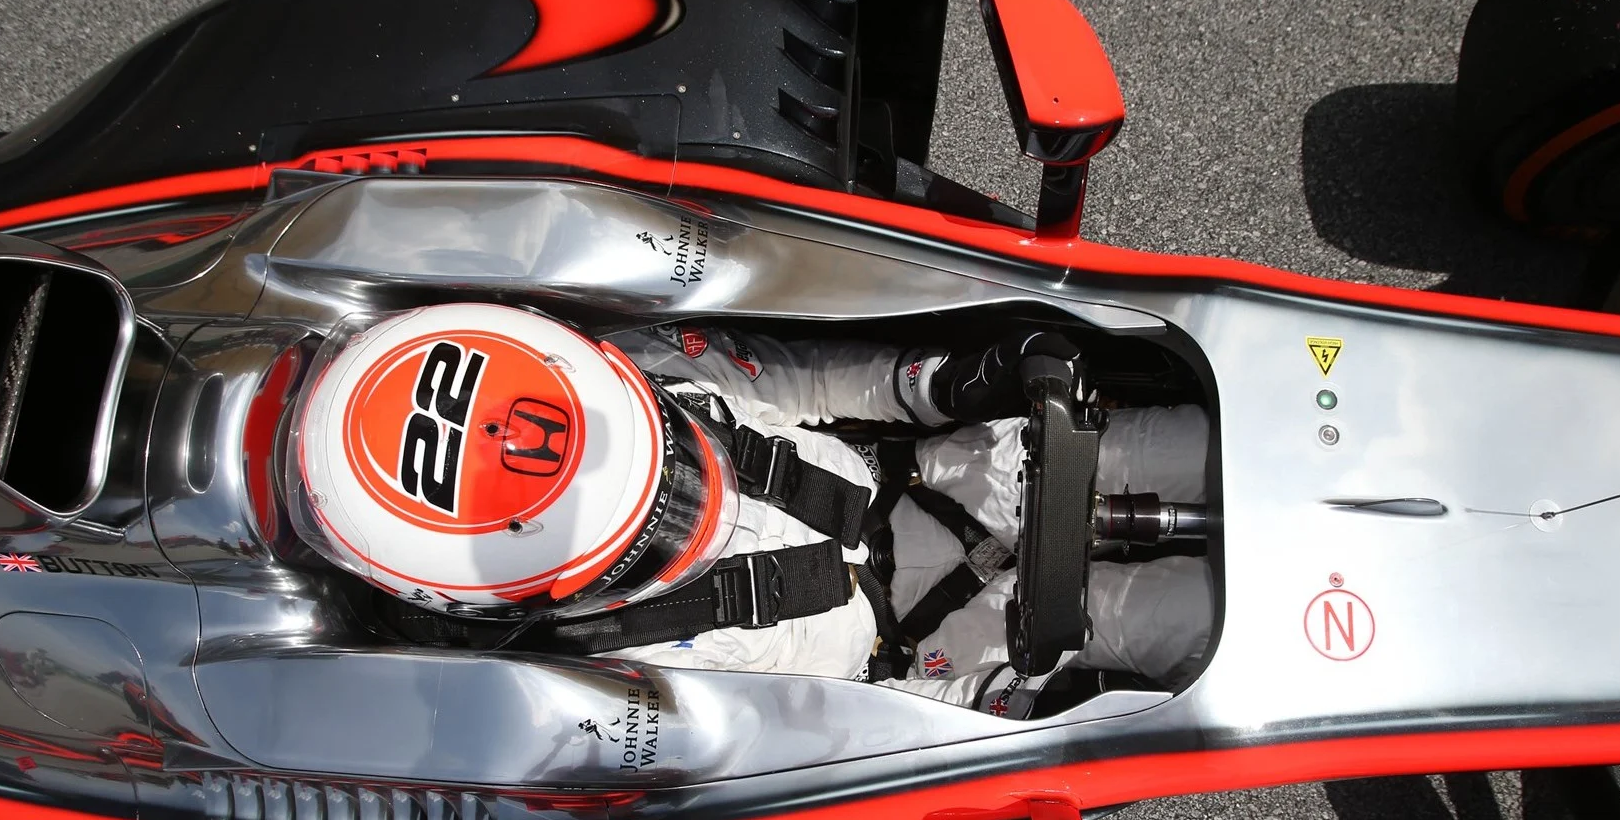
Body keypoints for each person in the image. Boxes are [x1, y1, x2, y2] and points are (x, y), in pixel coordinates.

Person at [288, 303, 1212, 718]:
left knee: (1200, 445)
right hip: (942, 647)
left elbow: (807, 375)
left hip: (945, 474)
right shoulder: (591, 681)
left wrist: (951, 384)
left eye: (669, 457)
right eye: (641, 537)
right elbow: (818, 740)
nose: (697, 502)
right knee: (1203, 626)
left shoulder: (642, 360)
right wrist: (988, 707)